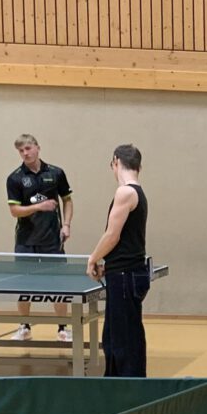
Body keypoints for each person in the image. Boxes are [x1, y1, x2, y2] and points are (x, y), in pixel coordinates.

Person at [87, 145, 150, 377]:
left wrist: (93, 259)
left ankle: (129, 385)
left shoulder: (125, 192)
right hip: (124, 272)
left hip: (125, 276)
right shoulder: (136, 192)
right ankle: (117, 382)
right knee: (116, 336)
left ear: (115, 161)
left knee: (124, 339)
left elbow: (112, 235)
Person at [5, 135, 74, 341]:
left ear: (37, 148)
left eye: (28, 148)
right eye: (21, 151)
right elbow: (14, 211)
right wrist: (39, 207)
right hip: (26, 241)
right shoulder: (15, 178)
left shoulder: (56, 173)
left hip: (52, 240)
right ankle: (24, 327)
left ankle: (62, 329)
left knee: (58, 285)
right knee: (24, 286)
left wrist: (66, 225)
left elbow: (67, 200)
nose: (25, 153)